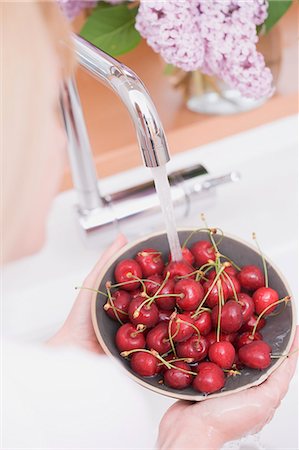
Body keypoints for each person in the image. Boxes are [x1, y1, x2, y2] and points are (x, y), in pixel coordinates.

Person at [1, 2, 298, 449]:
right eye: (47, 109)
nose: (63, 138)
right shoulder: (82, 403)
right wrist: (203, 434)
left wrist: (71, 352)